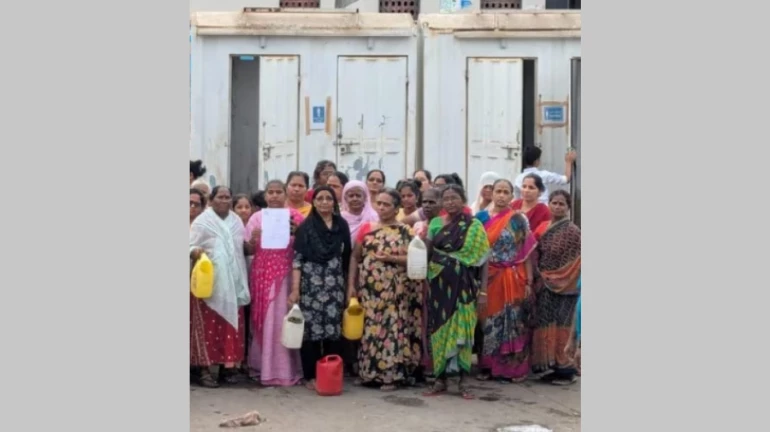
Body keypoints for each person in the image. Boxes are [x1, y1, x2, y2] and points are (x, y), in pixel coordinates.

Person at [347, 189, 422, 391]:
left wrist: (391, 259)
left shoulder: (407, 231)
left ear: (396, 208)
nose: (381, 208)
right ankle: (369, 373)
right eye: (379, 203)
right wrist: (351, 285)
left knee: (392, 328)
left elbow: (416, 259)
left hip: (396, 290)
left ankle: (392, 376)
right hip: (370, 291)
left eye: (386, 204)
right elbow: (355, 257)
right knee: (371, 328)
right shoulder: (366, 228)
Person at [423, 185, 490, 399]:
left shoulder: (474, 225)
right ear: (442, 202)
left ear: (463, 200)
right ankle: (440, 380)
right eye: (446, 198)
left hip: (465, 289)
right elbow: (428, 253)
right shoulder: (434, 223)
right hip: (439, 287)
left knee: (464, 333)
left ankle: (463, 382)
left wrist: (483, 292)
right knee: (439, 331)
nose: (450, 202)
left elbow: (484, 261)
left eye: (455, 198)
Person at [475, 179, 537, 383]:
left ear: (512, 196)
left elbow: (526, 253)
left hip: (513, 277)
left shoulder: (518, 219)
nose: (501, 195)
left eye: (506, 192)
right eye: (498, 191)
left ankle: (513, 369)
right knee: (488, 322)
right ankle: (488, 366)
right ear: (491, 194)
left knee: (514, 323)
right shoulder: (480, 218)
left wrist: (528, 282)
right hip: (488, 278)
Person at [291, 186, 352, 391]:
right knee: (310, 332)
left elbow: (347, 258)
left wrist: (349, 286)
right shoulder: (306, 227)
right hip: (311, 288)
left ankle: (331, 373)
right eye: (320, 198)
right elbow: (298, 261)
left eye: (328, 198)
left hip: (335, 286)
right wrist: (295, 289)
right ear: (314, 202)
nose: (324, 202)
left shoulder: (341, 225)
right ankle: (311, 376)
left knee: (333, 332)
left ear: (334, 202)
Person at [190, 186, 251, 388]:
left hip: (233, 281)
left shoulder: (236, 222)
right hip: (211, 282)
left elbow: (242, 249)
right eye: (220, 197)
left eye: (228, 197)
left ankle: (228, 369)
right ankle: (205, 370)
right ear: (211, 200)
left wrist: (254, 243)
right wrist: (195, 251)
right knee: (209, 327)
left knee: (230, 326)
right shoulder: (202, 222)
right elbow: (189, 245)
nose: (224, 200)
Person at [244, 180, 304, 386]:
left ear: (285, 193)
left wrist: (298, 232)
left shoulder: (295, 217)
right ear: (266, 195)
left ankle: (284, 370)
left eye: (279, 192)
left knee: (282, 320)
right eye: (271, 192)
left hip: (286, 274)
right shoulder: (257, 218)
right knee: (263, 320)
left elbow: (303, 248)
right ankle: (261, 367)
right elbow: (250, 250)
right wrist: (253, 239)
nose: (275, 196)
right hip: (262, 275)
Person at [531, 190, 581, 386]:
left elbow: (579, 260)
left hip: (566, 288)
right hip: (544, 284)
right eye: (554, 203)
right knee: (547, 323)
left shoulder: (573, 232)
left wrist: (561, 278)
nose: (558, 207)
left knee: (563, 325)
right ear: (549, 204)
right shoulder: (543, 227)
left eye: (562, 204)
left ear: (568, 208)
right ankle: (552, 366)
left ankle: (566, 369)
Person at [412, 187, 441, 378]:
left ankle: (437, 363)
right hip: (419, 280)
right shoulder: (418, 226)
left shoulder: (445, 225)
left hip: (441, 280)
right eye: (425, 202)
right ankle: (423, 362)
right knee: (421, 321)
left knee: (436, 321)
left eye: (432, 202)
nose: (428, 205)